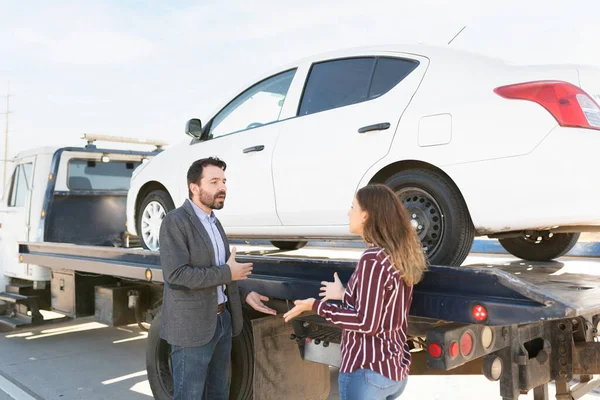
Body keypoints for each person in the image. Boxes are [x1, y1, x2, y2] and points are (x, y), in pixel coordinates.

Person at [284, 184, 427, 400]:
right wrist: (344, 294)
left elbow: (366, 323)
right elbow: (383, 304)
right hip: (393, 370)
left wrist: (316, 305)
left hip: (367, 371)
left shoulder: (373, 260)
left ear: (366, 215)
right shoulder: (396, 254)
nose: (348, 213)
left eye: (353, 207)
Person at [159, 157, 276, 400]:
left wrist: (244, 294)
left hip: (222, 322)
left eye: (223, 181)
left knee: (219, 393)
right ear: (194, 187)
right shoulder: (175, 221)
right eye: (214, 182)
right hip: (192, 328)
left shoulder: (214, 222)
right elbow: (176, 275)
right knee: (189, 395)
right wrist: (228, 273)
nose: (222, 187)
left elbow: (222, 272)